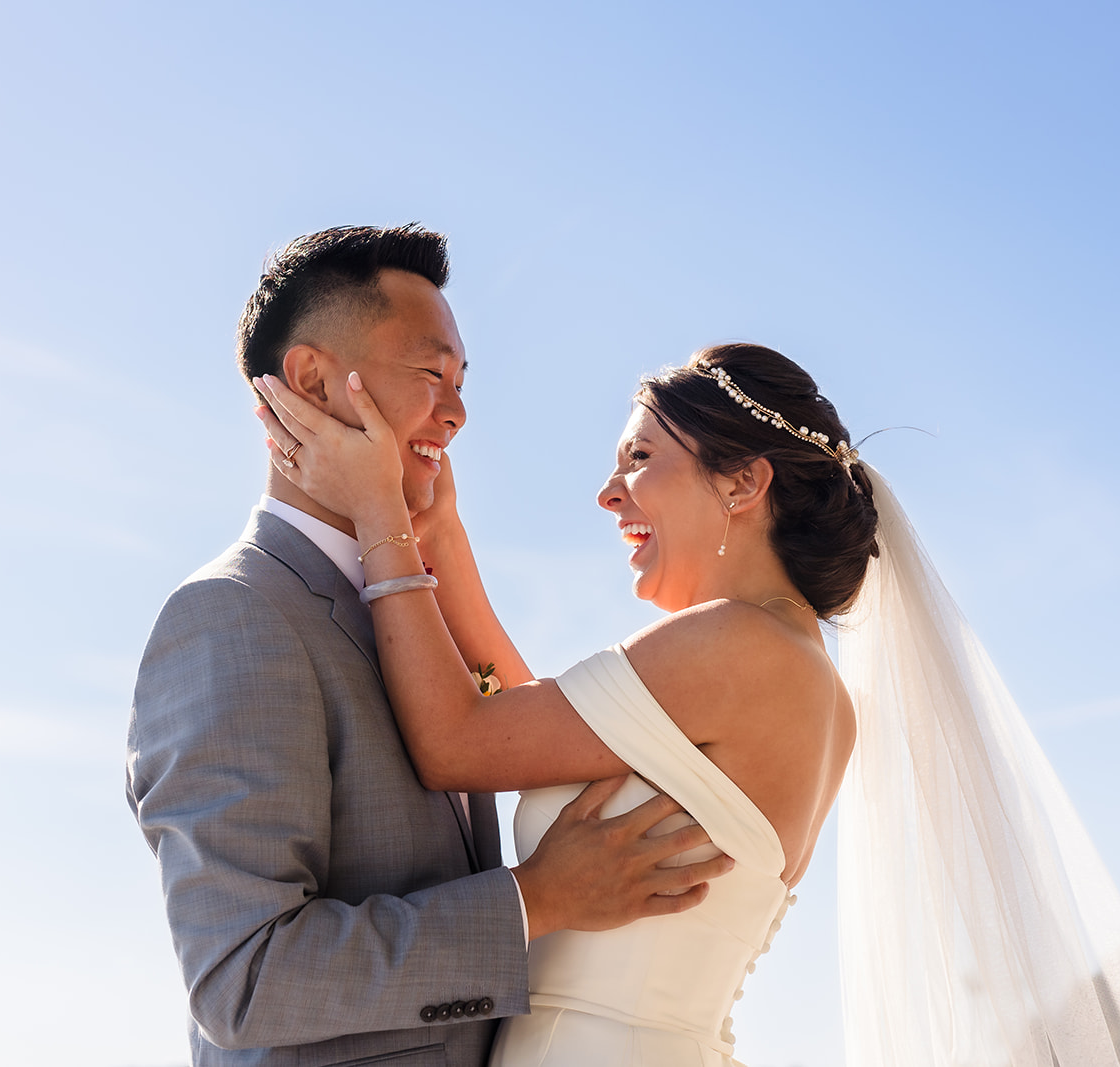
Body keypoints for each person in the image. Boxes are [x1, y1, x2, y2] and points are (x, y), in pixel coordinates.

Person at [255, 340, 1120, 1067]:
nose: (606, 492)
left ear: (744, 481)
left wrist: (380, 512)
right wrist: (446, 538)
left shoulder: (738, 647)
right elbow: (531, 712)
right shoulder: (791, 668)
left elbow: (460, 742)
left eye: (638, 458)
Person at [125, 224, 732, 1067]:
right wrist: (536, 898)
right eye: (430, 374)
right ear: (311, 381)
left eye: (461, 381)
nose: (457, 410)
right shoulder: (231, 616)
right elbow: (244, 978)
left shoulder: (408, 606)